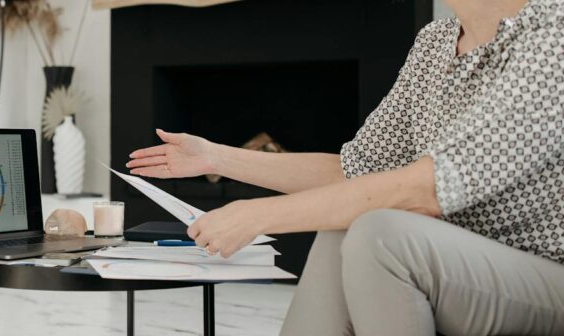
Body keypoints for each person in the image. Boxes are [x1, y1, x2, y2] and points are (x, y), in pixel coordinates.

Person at [127, 0, 564, 334]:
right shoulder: (436, 44)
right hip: (455, 258)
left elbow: (427, 190)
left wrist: (256, 215)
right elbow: (357, 172)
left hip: (543, 275)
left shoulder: (552, 33)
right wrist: (216, 157)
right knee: (342, 224)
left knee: (379, 234)